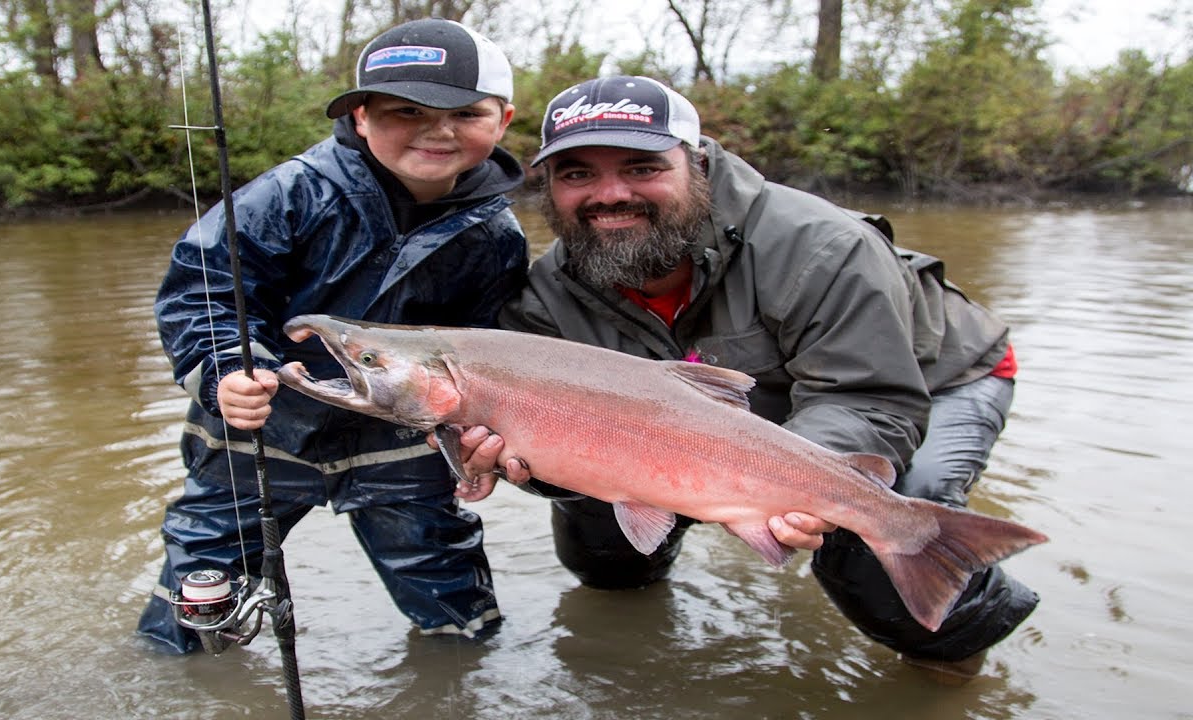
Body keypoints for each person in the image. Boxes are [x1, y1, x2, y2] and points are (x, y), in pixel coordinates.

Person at [450, 75, 1038, 679]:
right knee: (599, 539)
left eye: (643, 166)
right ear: (548, 187)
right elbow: (561, 434)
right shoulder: (544, 299)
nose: (611, 193)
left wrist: (802, 491)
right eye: (577, 174)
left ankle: (956, 666)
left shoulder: (823, 246)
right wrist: (531, 466)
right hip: (723, 408)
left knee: (872, 535)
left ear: (697, 163)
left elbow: (867, 398)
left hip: (934, 377)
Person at [137, 18, 525, 654]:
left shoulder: (498, 236)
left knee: (457, 608)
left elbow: (484, 356)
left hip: (401, 442)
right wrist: (226, 371)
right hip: (258, 435)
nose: (438, 128)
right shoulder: (290, 193)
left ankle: (463, 678)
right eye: (406, 110)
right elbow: (201, 293)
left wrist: (472, 449)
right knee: (194, 610)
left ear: (502, 120)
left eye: (465, 111)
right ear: (363, 117)